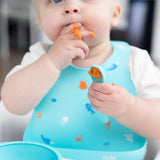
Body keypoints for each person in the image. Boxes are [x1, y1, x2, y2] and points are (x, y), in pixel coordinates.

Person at [1, 0, 160, 159]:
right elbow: (11, 104)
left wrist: (129, 108)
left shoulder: (134, 61)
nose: (71, 7)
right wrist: (51, 62)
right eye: (56, 0)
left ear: (115, 14)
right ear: (40, 19)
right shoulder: (39, 57)